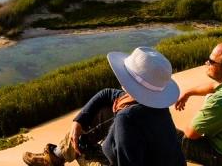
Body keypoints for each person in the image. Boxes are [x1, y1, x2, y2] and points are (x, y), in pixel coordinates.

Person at [23, 47, 186, 166]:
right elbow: (106, 93)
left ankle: (58, 157)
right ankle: (56, 156)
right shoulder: (153, 106)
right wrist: (78, 121)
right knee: (103, 111)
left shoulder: (128, 118)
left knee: (82, 143)